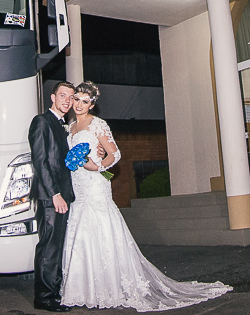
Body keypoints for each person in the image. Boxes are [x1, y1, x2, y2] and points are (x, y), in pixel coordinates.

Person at [60, 81, 231, 311]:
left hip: (95, 186)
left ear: (92, 104)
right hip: (78, 187)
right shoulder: (70, 127)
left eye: (85, 101)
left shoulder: (97, 124)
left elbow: (115, 154)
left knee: (100, 229)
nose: (79, 104)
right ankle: (85, 289)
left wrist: (97, 166)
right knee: (81, 232)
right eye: (77, 99)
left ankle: (111, 288)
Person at [29, 80, 77, 312]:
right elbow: (40, 161)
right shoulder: (41, 121)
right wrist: (55, 194)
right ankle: (44, 298)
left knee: (56, 246)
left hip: (62, 196)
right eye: (63, 95)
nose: (67, 101)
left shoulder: (62, 125)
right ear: (53, 97)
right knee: (49, 247)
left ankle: (54, 294)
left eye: (71, 97)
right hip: (51, 197)